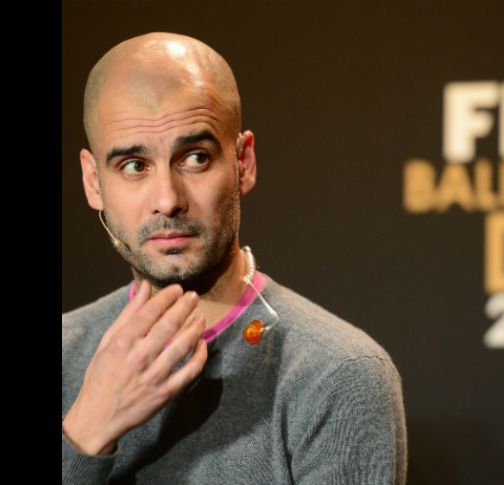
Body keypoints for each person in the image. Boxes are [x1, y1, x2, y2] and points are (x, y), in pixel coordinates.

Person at [62, 32, 407, 484]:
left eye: (196, 158)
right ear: (93, 182)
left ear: (243, 162)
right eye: (133, 165)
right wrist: (85, 434)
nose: (167, 199)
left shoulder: (339, 375)